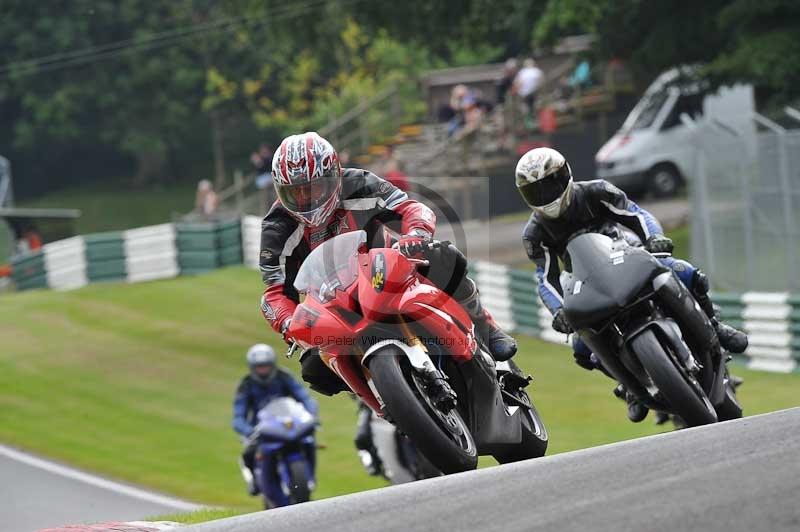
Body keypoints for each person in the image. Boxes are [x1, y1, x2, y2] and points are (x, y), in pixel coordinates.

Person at [259, 132, 517, 395]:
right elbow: (274, 292)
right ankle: (379, 399)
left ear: (333, 175)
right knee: (314, 369)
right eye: (294, 192)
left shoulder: (358, 183)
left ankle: (487, 328)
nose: (305, 199)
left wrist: (415, 234)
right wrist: (288, 322)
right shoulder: (276, 227)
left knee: (443, 257)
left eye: (312, 187)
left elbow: (410, 208)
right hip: (334, 303)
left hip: (387, 272)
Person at [515, 147, 748, 422]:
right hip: (585, 281)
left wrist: (655, 240)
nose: (545, 196)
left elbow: (637, 215)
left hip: (626, 253)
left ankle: (716, 327)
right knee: (580, 347)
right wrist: (558, 309)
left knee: (684, 271)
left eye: (549, 185)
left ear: (565, 175)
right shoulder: (534, 233)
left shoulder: (596, 191)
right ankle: (629, 385)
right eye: (535, 192)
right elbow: (546, 277)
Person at [232, 343, 319, 496]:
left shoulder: (284, 376)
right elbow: (238, 416)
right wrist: (248, 431)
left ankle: (310, 476)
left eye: (266, 366)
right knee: (248, 454)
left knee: (309, 441)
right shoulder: (246, 385)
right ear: (252, 367)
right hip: (262, 429)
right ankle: (254, 480)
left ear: (272, 364)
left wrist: (311, 415)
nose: (263, 370)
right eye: (259, 367)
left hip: (288, 423)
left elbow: (304, 397)